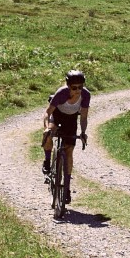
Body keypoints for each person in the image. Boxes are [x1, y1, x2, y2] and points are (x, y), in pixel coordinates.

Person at [42, 70, 90, 204]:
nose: (78, 90)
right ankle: (47, 160)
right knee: (49, 134)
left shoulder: (85, 95)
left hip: (71, 119)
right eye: (74, 87)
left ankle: (67, 188)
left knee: (69, 151)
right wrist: (46, 128)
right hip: (57, 115)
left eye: (80, 87)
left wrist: (84, 132)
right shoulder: (61, 93)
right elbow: (47, 113)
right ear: (68, 86)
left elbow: (84, 116)